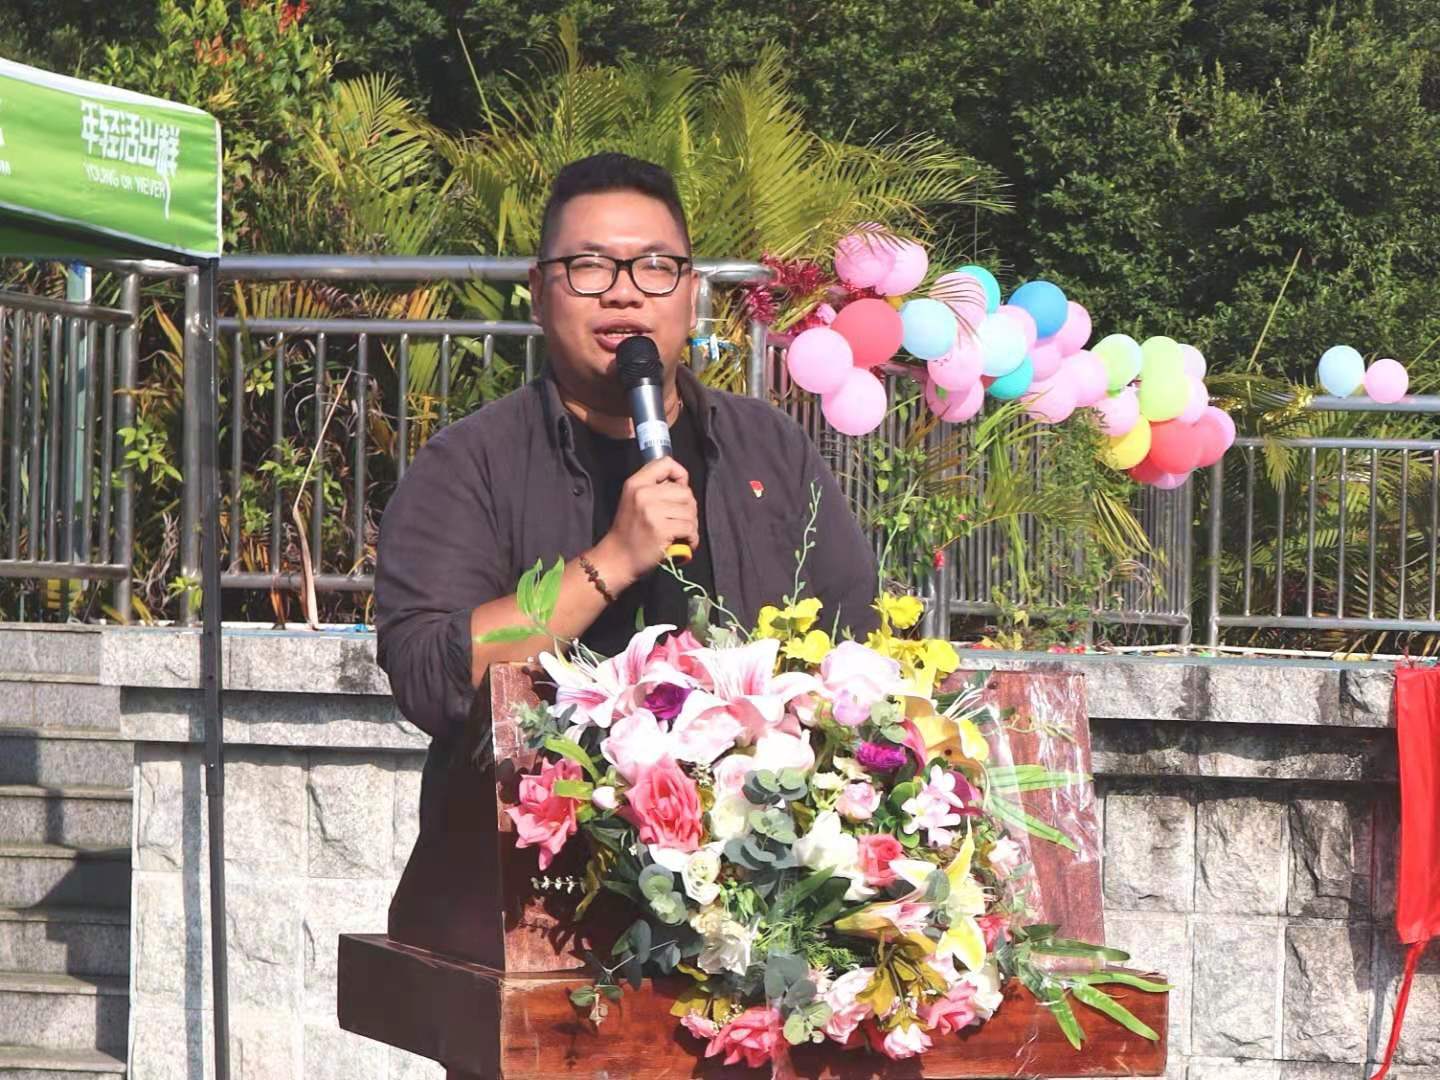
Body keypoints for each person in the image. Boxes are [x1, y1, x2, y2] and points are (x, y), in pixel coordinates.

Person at [375, 152, 878, 816]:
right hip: (534, 862)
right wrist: (611, 562)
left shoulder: (769, 447)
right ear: (538, 291)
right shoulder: (470, 463)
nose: (624, 293)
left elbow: (860, 648)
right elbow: (429, 676)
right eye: (589, 267)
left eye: (655, 266)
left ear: (691, 293)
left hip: (752, 854)